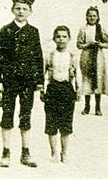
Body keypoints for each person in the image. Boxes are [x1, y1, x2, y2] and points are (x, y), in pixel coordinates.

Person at [0, 0, 45, 168]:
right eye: (18, 8)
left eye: (24, 8)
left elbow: (38, 57)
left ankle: (25, 152)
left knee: (26, 115)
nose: (21, 11)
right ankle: (6, 152)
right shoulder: (5, 30)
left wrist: (39, 81)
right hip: (9, 81)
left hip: (27, 81)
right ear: (12, 10)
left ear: (30, 11)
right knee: (7, 115)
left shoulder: (33, 32)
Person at [44, 25, 79, 163]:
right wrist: (42, 90)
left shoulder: (72, 56)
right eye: (58, 36)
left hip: (67, 90)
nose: (61, 39)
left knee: (65, 124)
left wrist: (78, 90)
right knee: (51, 123)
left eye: (64, 36)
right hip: (52, 89)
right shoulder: (50, 56)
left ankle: (64, 153)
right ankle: (53, 153)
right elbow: (44, 74)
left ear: (69, 39)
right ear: (54, 39)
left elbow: (78, 74)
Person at [76, 6, 108, 116]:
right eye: (90, 16)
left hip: (98, 57)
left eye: (94, 16)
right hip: (86, 57)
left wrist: (99, 44)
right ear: (86, 17)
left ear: (98, 17)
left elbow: (107, 44)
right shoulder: (83, 29)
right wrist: (88, 45)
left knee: (98, 80)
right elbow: (79, 45)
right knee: (87, 80)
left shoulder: (101, 29)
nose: (92, 18)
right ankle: (87, 107)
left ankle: (98, 107)